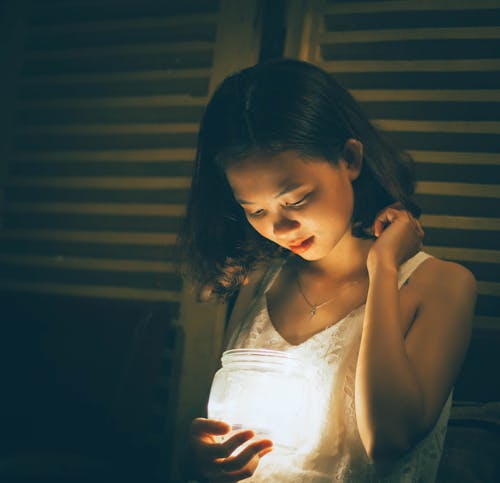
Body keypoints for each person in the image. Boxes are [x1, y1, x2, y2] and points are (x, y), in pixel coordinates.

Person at [178, 58, 476, 482]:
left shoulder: (442, 284)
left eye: (296, 200)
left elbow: (389, 439)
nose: (278, 228)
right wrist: (211, 457)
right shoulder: (261, 285)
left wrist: (384, 270)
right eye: (256, 210)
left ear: (350, 159)